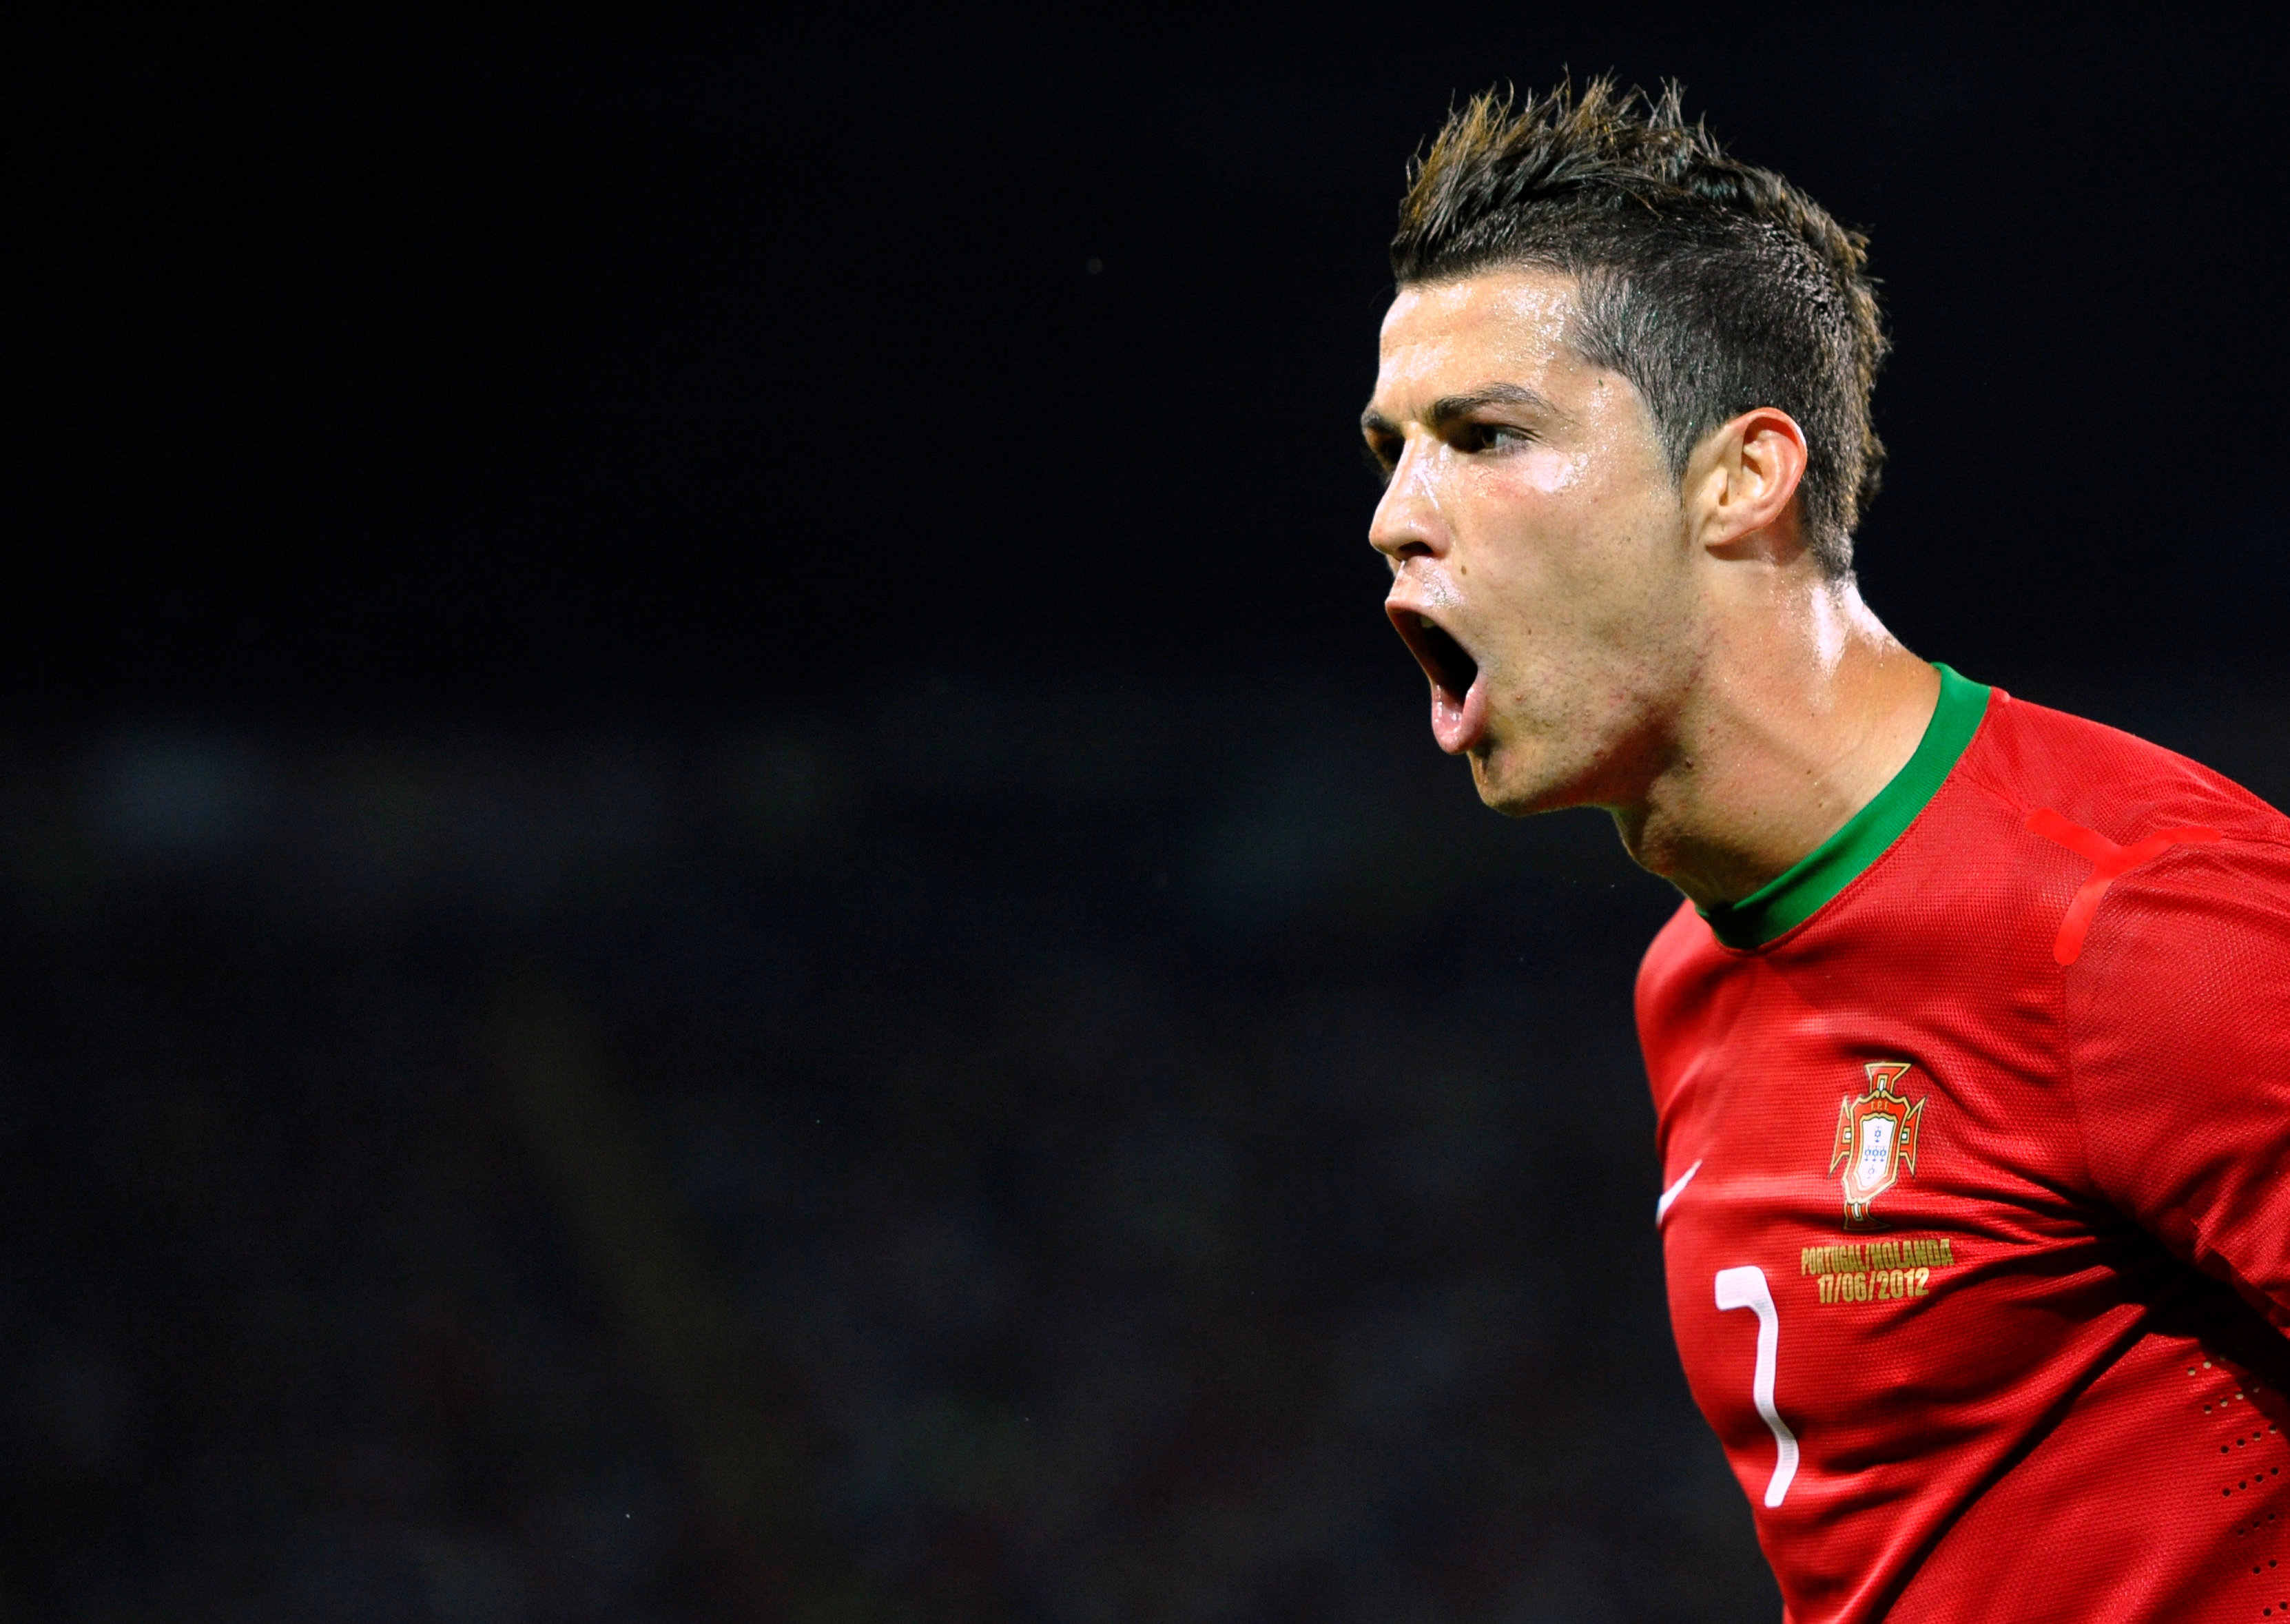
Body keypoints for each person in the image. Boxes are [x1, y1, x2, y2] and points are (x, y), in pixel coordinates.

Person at [1362, 79, 2290, 1622]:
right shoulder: (1689, 974)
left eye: (1486, 436)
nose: (1397, 517)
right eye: (1392, 451)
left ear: (1744, 477)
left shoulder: (2128, 916)